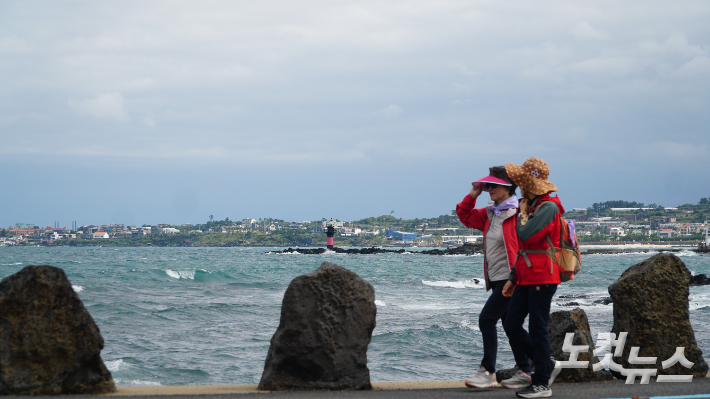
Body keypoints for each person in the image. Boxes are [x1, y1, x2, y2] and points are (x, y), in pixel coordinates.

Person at [456, 166, 532, 389]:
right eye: (486, 185)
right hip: (497, 279)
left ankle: (488, 371)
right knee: (510, 325)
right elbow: (465, 216)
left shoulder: (519, 213)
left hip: (514, 278)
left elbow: (524, 247)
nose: (488, 189)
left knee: (486, 319)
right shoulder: (491, 213)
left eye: (493, 185)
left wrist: (515, 277)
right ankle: (529, 368)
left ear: (508, 188)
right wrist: (473, 194)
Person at [502, 157, 563, 398]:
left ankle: (541, 384)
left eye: (522, 182)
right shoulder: (535, 205)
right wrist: (512, 277)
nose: (520, 188)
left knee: (538, 329)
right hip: (526, 274)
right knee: (511, 324)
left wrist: (522, 214)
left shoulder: (548, 206)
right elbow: (523, 248)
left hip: (543, 275)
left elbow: (524, 234)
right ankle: (545, 364)